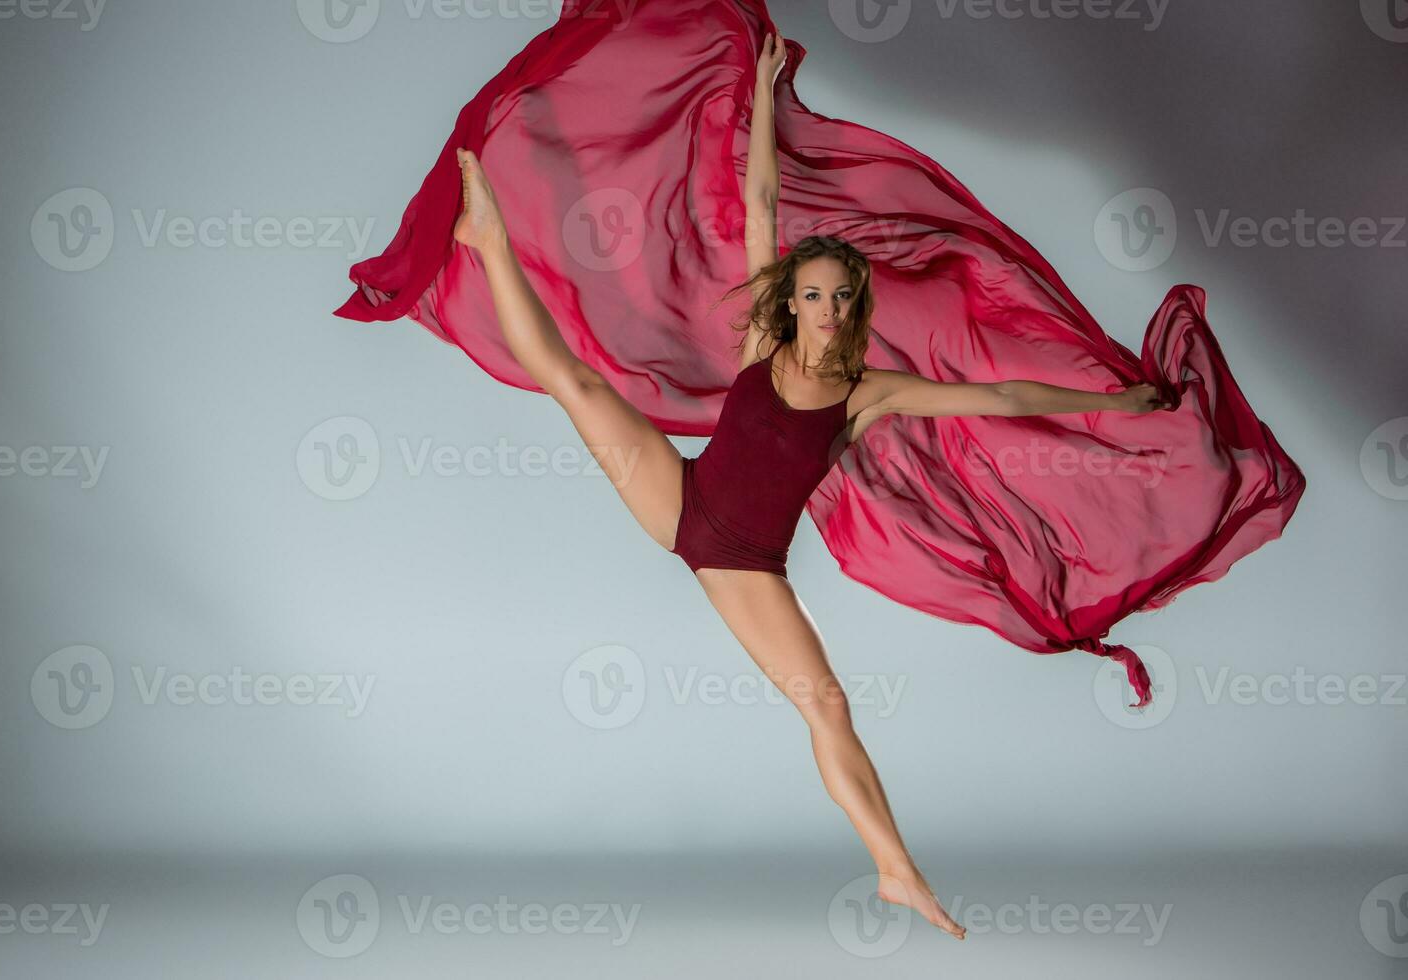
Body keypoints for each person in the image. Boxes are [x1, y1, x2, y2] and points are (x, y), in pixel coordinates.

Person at [368, 30, 1165, 940]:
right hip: (682, 495)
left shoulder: (867, 395)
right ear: (792, 300)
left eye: (838, 297)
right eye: (812, 294)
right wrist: (758, 83)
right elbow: (760, 200)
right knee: (578, 382)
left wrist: (1117, 401)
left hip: (741, 561)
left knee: (825, 705)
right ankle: (487, 237)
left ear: (854, 307)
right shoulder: (762, 345)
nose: (823, 308)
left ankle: (894, 868)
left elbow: (1002, 393)